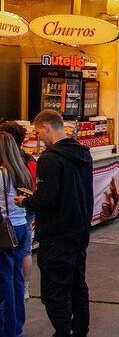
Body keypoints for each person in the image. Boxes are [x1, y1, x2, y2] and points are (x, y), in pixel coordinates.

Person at [14, 110, 93, 336]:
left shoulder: (50, 158)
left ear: (47, 127)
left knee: (54, 290)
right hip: (79, 230)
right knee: (77, 283)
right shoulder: (82, 154)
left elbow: (47, 198)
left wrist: (26, 201)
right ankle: (79, 329)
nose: (40, 138)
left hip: (56, 233)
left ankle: (62, 331)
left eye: (39, 133)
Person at [0, 121, 37, 301]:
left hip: (7, 224)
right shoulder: (26, 163)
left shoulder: (3, 171)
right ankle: (24, 290)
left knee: (6, 273)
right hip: (22, 217)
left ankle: (9, 324)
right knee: (24, 253)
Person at [0, 132, 32, 336]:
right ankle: (17, 323)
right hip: (21, 226)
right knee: (16, 278)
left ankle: (9, 328)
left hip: (5, 230)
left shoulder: (1, 174)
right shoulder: (22, 171)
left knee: (5, 279)